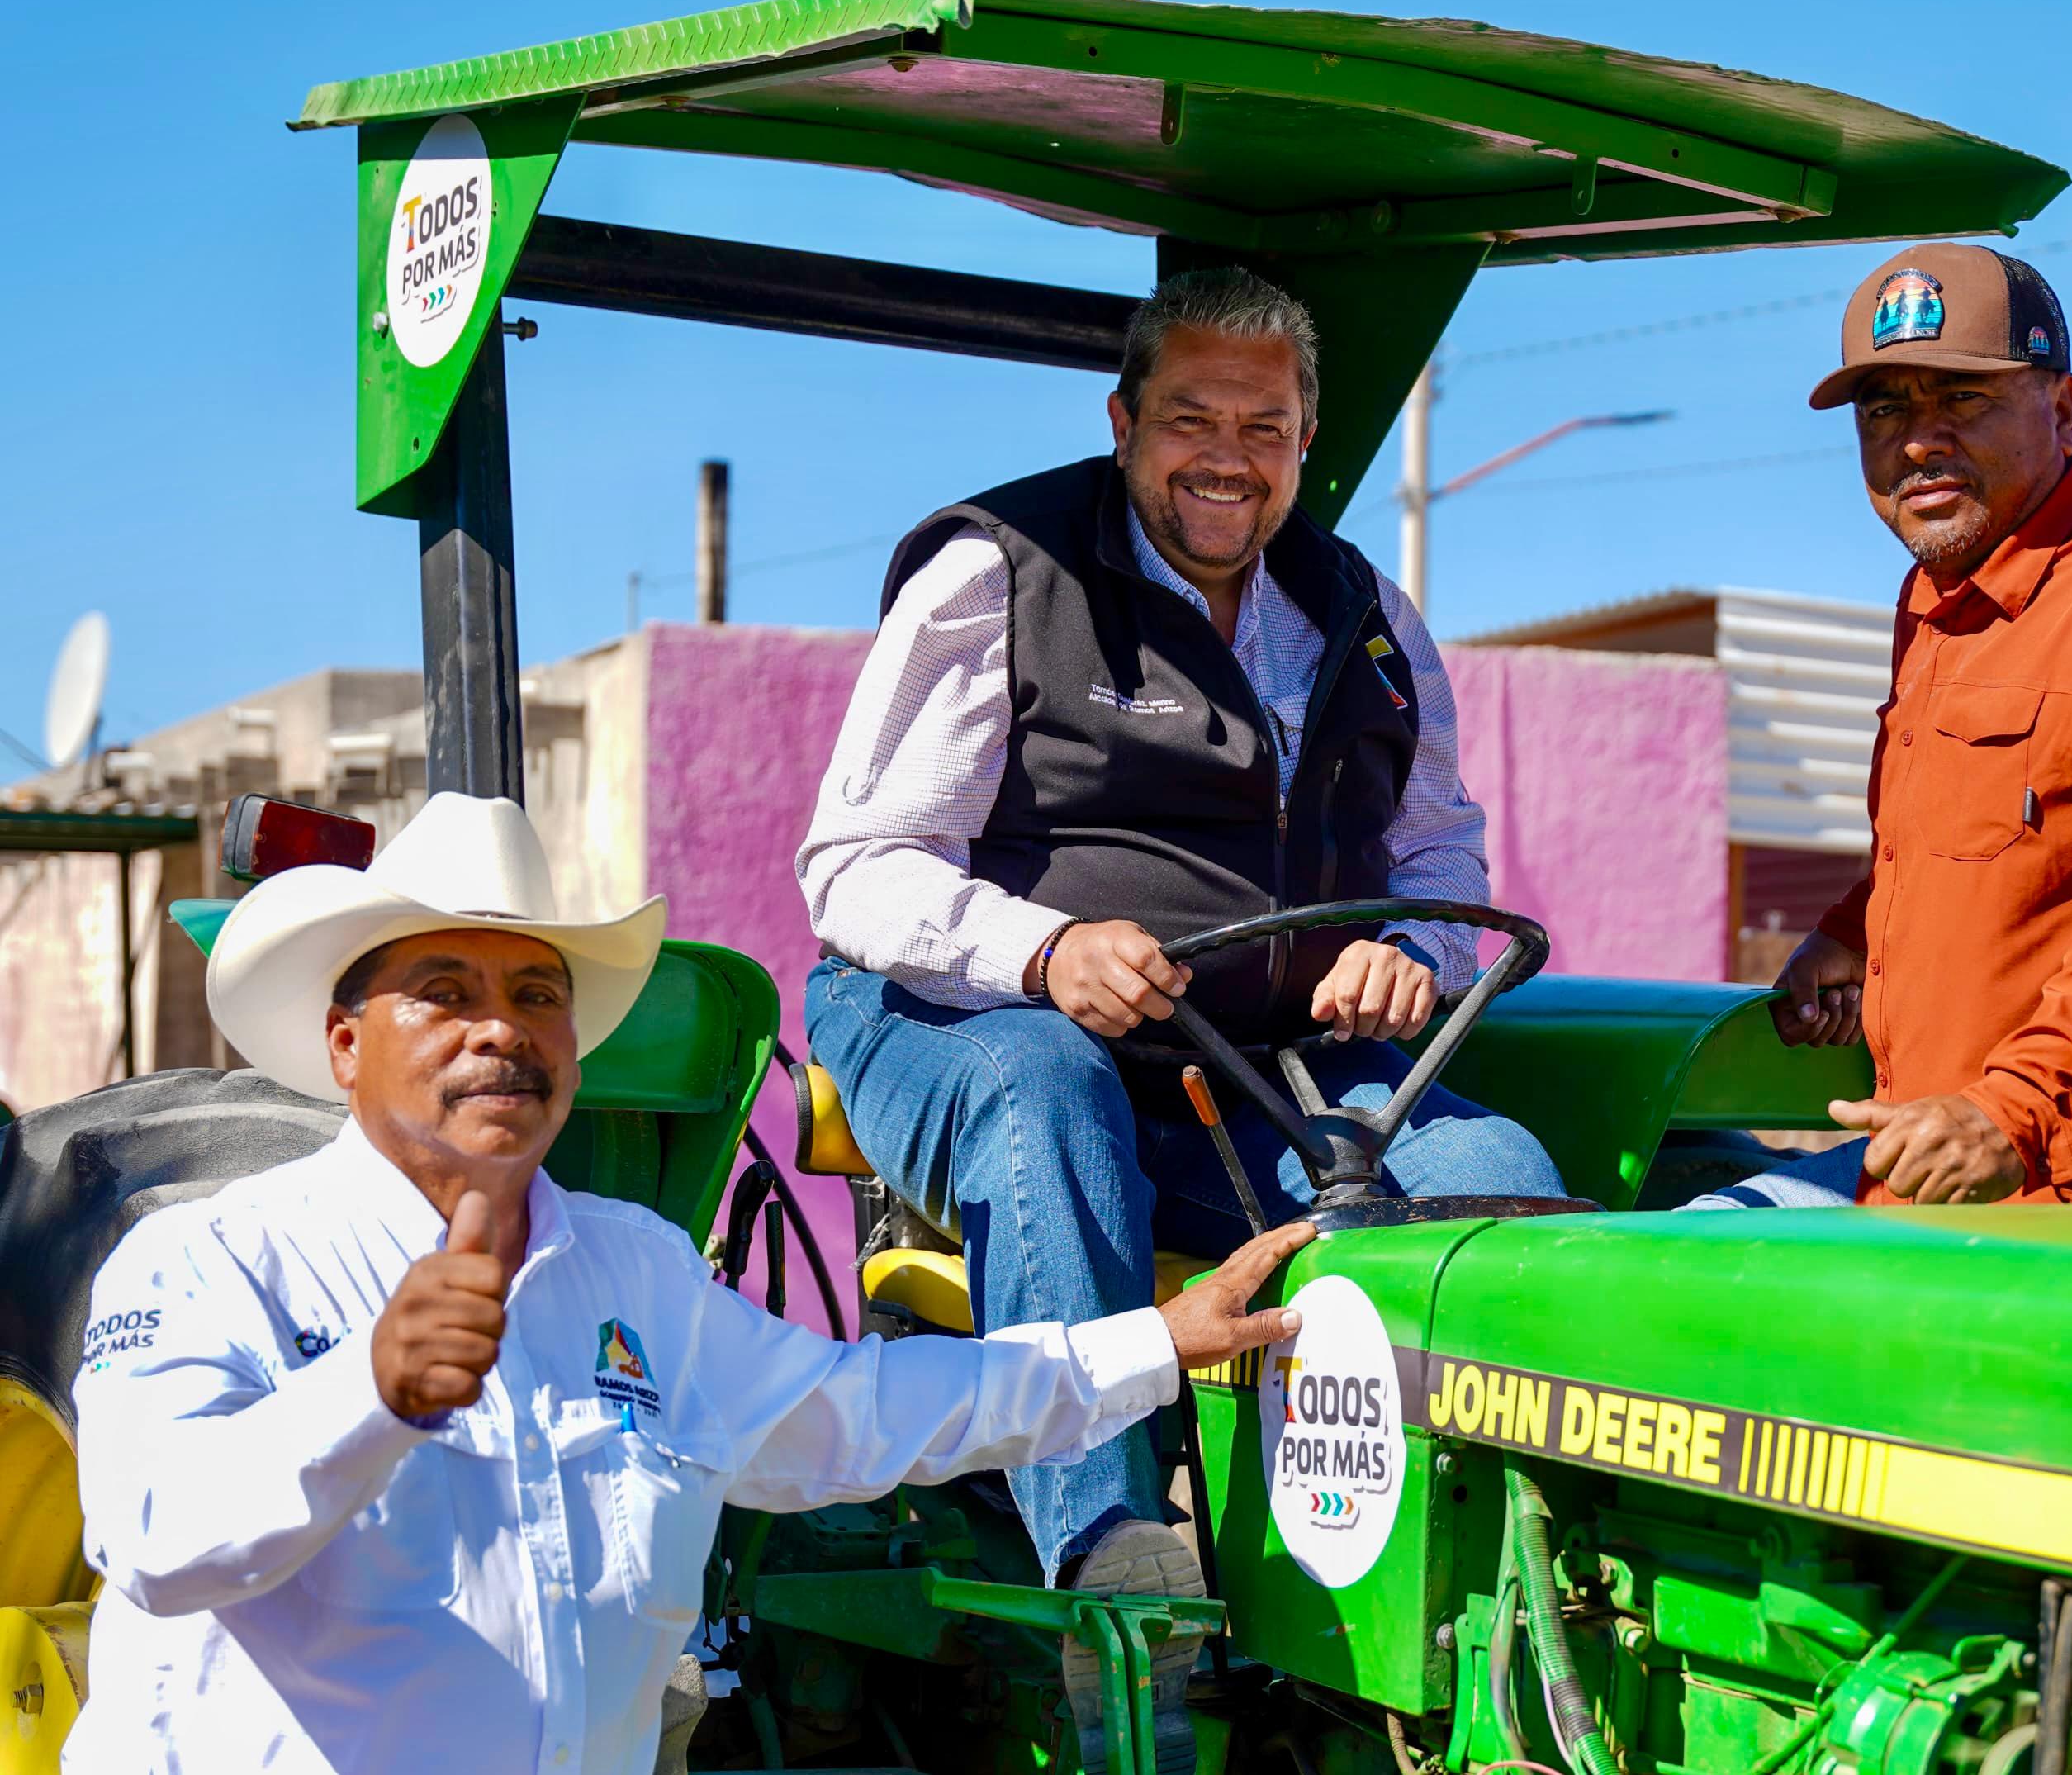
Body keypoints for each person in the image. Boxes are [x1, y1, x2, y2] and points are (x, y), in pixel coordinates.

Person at [68, 792, 1306, 1775]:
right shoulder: (206, 1261)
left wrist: (1154, 1342)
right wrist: (370, 1394)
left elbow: (857, 1411)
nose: (499, 1030)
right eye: (443, 995)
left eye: (534, 995)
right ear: (345, 1048)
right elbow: (159, 1540)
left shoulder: (634, 1271)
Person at [798, 266, 1560, 1598]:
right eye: (1190, 420)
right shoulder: (1000, 569)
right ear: (1122, 420)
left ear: (1304, 443)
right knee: (1047, 1076)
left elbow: (1437, 850)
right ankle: (1107, 1547)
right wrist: (1042, 951)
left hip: (1241, 1059)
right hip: (955, 1024)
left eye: (1262, 428)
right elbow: (857, 871)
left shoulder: (1364, 614)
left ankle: (1515, 1560)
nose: (1226, 458)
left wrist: (1411, 954)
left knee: (1490, 1159)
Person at [1695, 243, 2072, 1209]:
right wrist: (1850, 932)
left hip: (2067, 1204)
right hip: (1917, 1171)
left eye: (1962, 399)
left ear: (2060, 409)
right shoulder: (1936, 592)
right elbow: (1984, 839)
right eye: (1884, 408)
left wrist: (2010, 1107)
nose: (1916, 441)